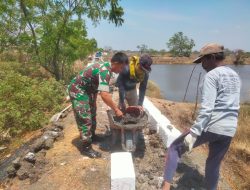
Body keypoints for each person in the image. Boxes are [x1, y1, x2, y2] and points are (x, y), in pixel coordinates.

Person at [162, 43, 241, 190]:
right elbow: (235, 104)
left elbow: (208, 108)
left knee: (174, 148)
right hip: (229, 129)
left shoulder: (211, 75)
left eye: (203, 61)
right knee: (213, 165)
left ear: (211, 57)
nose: (202, 65)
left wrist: (195, 132)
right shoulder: (234, 75)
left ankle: (165, 188)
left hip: (213, 125)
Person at [68, 52, 128, 158]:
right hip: (78, 90)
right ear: (115, 63)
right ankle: (86, 148)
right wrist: (116, 109)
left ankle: (93, 136)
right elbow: (104, 94)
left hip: (88, 90)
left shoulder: (107, 69)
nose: (121, 70)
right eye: (121, 67)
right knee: (85, 118)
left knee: (92, 112)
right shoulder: (105, 71)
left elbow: (100, 88)